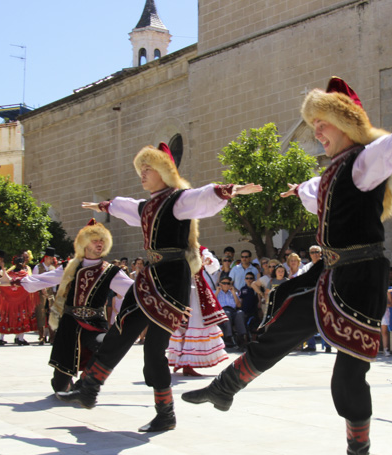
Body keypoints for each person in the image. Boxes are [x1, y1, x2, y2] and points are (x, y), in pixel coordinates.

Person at [182, 76, 392, 455]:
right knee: (279, 328)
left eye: (322, 124)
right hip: (329, 272)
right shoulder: (333, 172)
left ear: (345, 123)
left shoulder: (364, 161)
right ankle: (224, 388)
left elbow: (388, 150)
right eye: (313, 124)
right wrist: (298, 189)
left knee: (346, 379)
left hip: (360, 277)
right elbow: (317, 189)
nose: (316, 132)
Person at [57, 141, 261, 434]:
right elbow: (126, 206)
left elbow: (204, 196)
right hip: (149, 276)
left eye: (147, 168)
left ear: (163, 171)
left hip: (170, 279)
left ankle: (165, 413)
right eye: (140, 169)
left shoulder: (178, 200)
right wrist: (104, 206)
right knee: (121, 330)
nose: (142, 174)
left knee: (154, 348)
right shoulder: (147, 205)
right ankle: (89, 388)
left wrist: (231, 189)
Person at [5, 220, 133, 393]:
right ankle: (64, 382)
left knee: (105, 346)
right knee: (60, 385)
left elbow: (136, 290)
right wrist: (13, 280)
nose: (99, 243)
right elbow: (42, 280)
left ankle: (86, 382)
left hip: (95, 324)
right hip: (70, 324)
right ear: (85, 242)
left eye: (102, 240)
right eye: (95, 239)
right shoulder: (70, 266)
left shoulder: (111, 271)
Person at [167, 246, 229, 377]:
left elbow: (214, 266)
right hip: (181, 290)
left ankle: (186, 364)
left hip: (197, 293)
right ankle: (184, 362)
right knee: (182, 324)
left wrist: (207, 260)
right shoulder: (176, 250)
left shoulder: (200, 249)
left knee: (195, 323)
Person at [0, 255, 38, 345]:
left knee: (6, 317)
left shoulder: (9, 274)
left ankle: (1, 338)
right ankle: (19, 338)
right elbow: (29, 285)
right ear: (23, 264)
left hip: (9, 301)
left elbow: (3, 285)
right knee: (21, 317)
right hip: (21, 301)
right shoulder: (24, 275)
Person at [32, 247, 57, 345]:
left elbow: (54, 283)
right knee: (40, 314)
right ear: (46, 257)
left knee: (51, 315)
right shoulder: (37, 268)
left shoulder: (53, 269)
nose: (52, 260)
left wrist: (54, 293)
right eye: (51, 258)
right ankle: (41, 337)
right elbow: (34, 280)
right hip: (40, 294)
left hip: (50, 295)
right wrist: (41, 287)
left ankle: (52, 337)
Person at [216, 275, 246, 349]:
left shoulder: (233, 293)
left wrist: (233, 293)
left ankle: (241, 336)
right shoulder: (216, 292)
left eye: (228, 283)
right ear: (220, 284)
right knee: (227, 313)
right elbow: (212, 303)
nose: (226, 285)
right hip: (222, 311)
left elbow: (238, 305)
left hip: (233, 310)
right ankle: (228, 337)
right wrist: (217, 292)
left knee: (240, 313)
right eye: (224, 283)